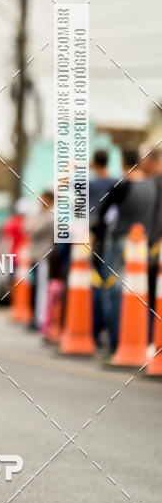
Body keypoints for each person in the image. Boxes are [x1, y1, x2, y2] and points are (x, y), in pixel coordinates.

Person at [93, 148, 155, 354]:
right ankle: (140, 340)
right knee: (139, 293)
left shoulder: (122, 186)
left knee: (112, 290)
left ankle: (114, 341)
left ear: (122, 163)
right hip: (142, 245)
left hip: (121, 242)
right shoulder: (151, 186)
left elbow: (102, 215)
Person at [88, 150, 118, 346]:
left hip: (96, 237)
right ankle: (110, 331)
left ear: (94, 163)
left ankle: (98, 330)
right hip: (112, 236)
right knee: (110, 283)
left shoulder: (91, 185)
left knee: (98, 284)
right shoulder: (116, 183)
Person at [140, 146, 162, 342]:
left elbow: (158, 216)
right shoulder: (150, 181)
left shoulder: (157, 182)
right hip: (150, 246)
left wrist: (152, 242)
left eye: (143, 159)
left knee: (154, 293)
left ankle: (151, 338)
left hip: (154, 247)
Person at [25, 191, 54, 332]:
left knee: (41, 289)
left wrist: (33, 225)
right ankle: (34, 317)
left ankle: (40, 320)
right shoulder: (39, 215)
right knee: (34, 288)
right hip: (34, 256)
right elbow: (27, 227)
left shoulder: (50, 217)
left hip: (43, 256)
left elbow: (34, 230)